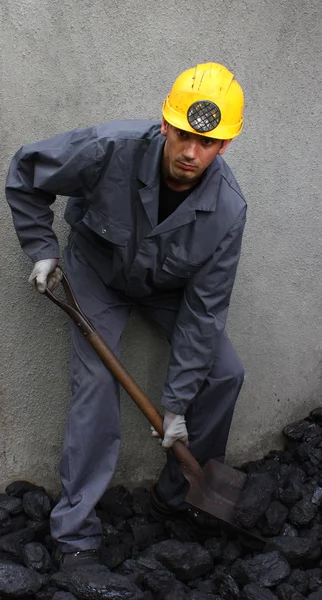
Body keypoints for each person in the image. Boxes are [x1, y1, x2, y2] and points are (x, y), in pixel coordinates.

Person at [6, 62, 247, 571]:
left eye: (207, 144)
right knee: (96, 387)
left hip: (167, 287)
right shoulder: (109, 148)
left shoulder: (227, 210)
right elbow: (26, 173)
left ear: (224, 146)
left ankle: (178, 492)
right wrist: (42, 249)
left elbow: (205, 312)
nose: (190, 152)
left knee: (225, 373)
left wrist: (176, 404)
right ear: (166, 123)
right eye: (183, 135)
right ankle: (74, 531)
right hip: (96, 273)